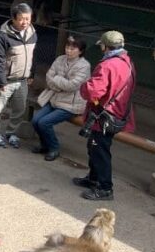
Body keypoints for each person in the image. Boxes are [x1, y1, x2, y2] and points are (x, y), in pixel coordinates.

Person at [74, 31, 135, 201]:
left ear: (106, 47)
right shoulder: (127, 62)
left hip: (103, 115)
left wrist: (84, 86)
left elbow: (93, 91)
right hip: (117, 112)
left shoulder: (107, 65)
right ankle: (93, 179)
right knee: (95, 147)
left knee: (100, 150)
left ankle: (105, 188)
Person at [31, 36, 91, 161]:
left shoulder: (84, 66)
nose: (68, 50)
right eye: (67, 47)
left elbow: (72, 85)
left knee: (44, 122)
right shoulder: (60, 59)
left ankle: (54, 148)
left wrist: (57, 79)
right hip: (55, 99)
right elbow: (48, 77)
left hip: (70, 105)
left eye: (73, 49)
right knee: (36, 120)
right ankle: (45, 145)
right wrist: (59, 84)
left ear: (80, 51)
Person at [0, 2, 37, 148]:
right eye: (21, 19)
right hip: (6, 80)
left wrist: (31, 74)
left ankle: (11, 133)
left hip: (22, 80)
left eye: (28, 18)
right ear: (13, 19)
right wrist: (0, 81)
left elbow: (33, 56)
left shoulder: (32, 34)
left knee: (19, 110)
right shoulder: (3, 36)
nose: (25, 22)